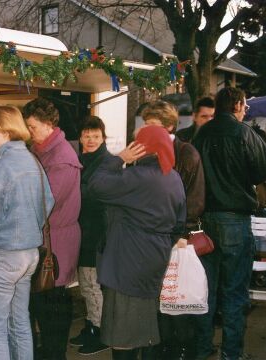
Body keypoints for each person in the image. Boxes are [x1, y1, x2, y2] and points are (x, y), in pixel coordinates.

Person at [87, 125, 186, 360]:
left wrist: (119, 158)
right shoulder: (173, 177)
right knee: (145, 328)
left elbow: (95, 185)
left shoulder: (136, 177)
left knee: (122, 334)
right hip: (154, 257)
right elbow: (179, 224)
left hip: (126, 263)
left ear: (142, 148)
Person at [193, 87, 266, 360]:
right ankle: (231, 354)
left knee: (206, 291)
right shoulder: (245, 133)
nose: (245, 110)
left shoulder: (202, 133)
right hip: (235, 222)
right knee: (235, 293)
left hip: (204, 222)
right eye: (245, 106)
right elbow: (264, 170)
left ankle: (203, 348)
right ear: (238, 104)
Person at [0, 106, 55, 360]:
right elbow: (48, 202)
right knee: (20, 322)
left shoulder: (2, 164)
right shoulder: (32, 159)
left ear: (5, 130)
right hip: (29, 254)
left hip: (5, 255)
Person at [141, 100, 206, 359]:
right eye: (145, 125)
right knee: (158, 307)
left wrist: (178, 234)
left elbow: (195, 200)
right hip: (151, 241)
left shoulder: (187, 153)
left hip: (175, 242)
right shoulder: (144, 152)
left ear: (168, 125)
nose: (146, 130)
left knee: (178, 306)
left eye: (151, 125)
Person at [23, 97, 82, 360]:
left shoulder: (61, 158)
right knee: (43, 303)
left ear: (49, 124)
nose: (29, 132)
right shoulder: (41, 149)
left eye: (32, 127)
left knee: (52, 304)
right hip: (48, 238)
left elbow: (47, 203)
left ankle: (54, 354)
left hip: (56, 242)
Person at [69, 116, 112, 356]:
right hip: (84, 230)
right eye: (87, 135)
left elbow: (93, 195)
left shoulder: (105, 162)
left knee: (93, 284)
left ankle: (101, 331)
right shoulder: (82, 159)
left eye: (96, 135)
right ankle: (91, 325)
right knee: (86, 284)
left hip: (97, 233)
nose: (91, 139)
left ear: (103, 137)